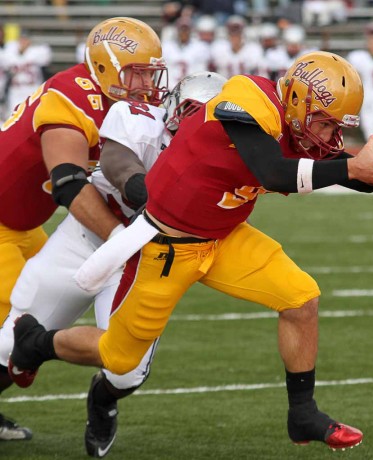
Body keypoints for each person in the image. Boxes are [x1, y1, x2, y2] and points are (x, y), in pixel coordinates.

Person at [8, 52, 373, 452]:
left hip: (225, 236)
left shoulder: (298, 125)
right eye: (325, 123)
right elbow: (274, 171)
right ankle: (37, 344)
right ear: (298, 103)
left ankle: (303, 415)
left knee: (301, 298)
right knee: (120, 358)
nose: (330, 136)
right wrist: (354, 166)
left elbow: (345, 169)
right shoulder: (248, 98)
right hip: (167, 245)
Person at [0, 71, 226, 456]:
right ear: (173, 106)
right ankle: (29, 349)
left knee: (127, 369)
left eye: (210, 122)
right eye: (191, 113)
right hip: (89, 237)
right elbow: (121, 166)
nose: (195, 128)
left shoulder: (228, 161)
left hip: (145, 262)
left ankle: (102, 401)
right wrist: (163, 198)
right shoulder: (137, 120)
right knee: (6, 345)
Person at [0, 15, 167, 445]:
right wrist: (120, 240)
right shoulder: (71, 97)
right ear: (108, 67)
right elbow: (69, 182)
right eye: (138, 72)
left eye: (151, 72)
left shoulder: (121, 103)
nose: (147, 83)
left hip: (21, 223)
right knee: (8, 330)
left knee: (16, 340)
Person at [3, 31, 52, 115]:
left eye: (25, 39)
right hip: (16, 89)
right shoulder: (10, 53)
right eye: (21, 39)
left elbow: (46, 57)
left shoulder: (36, 52)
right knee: (14, 116)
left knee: (32, 114)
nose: (23, 42)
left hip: (32, 88)